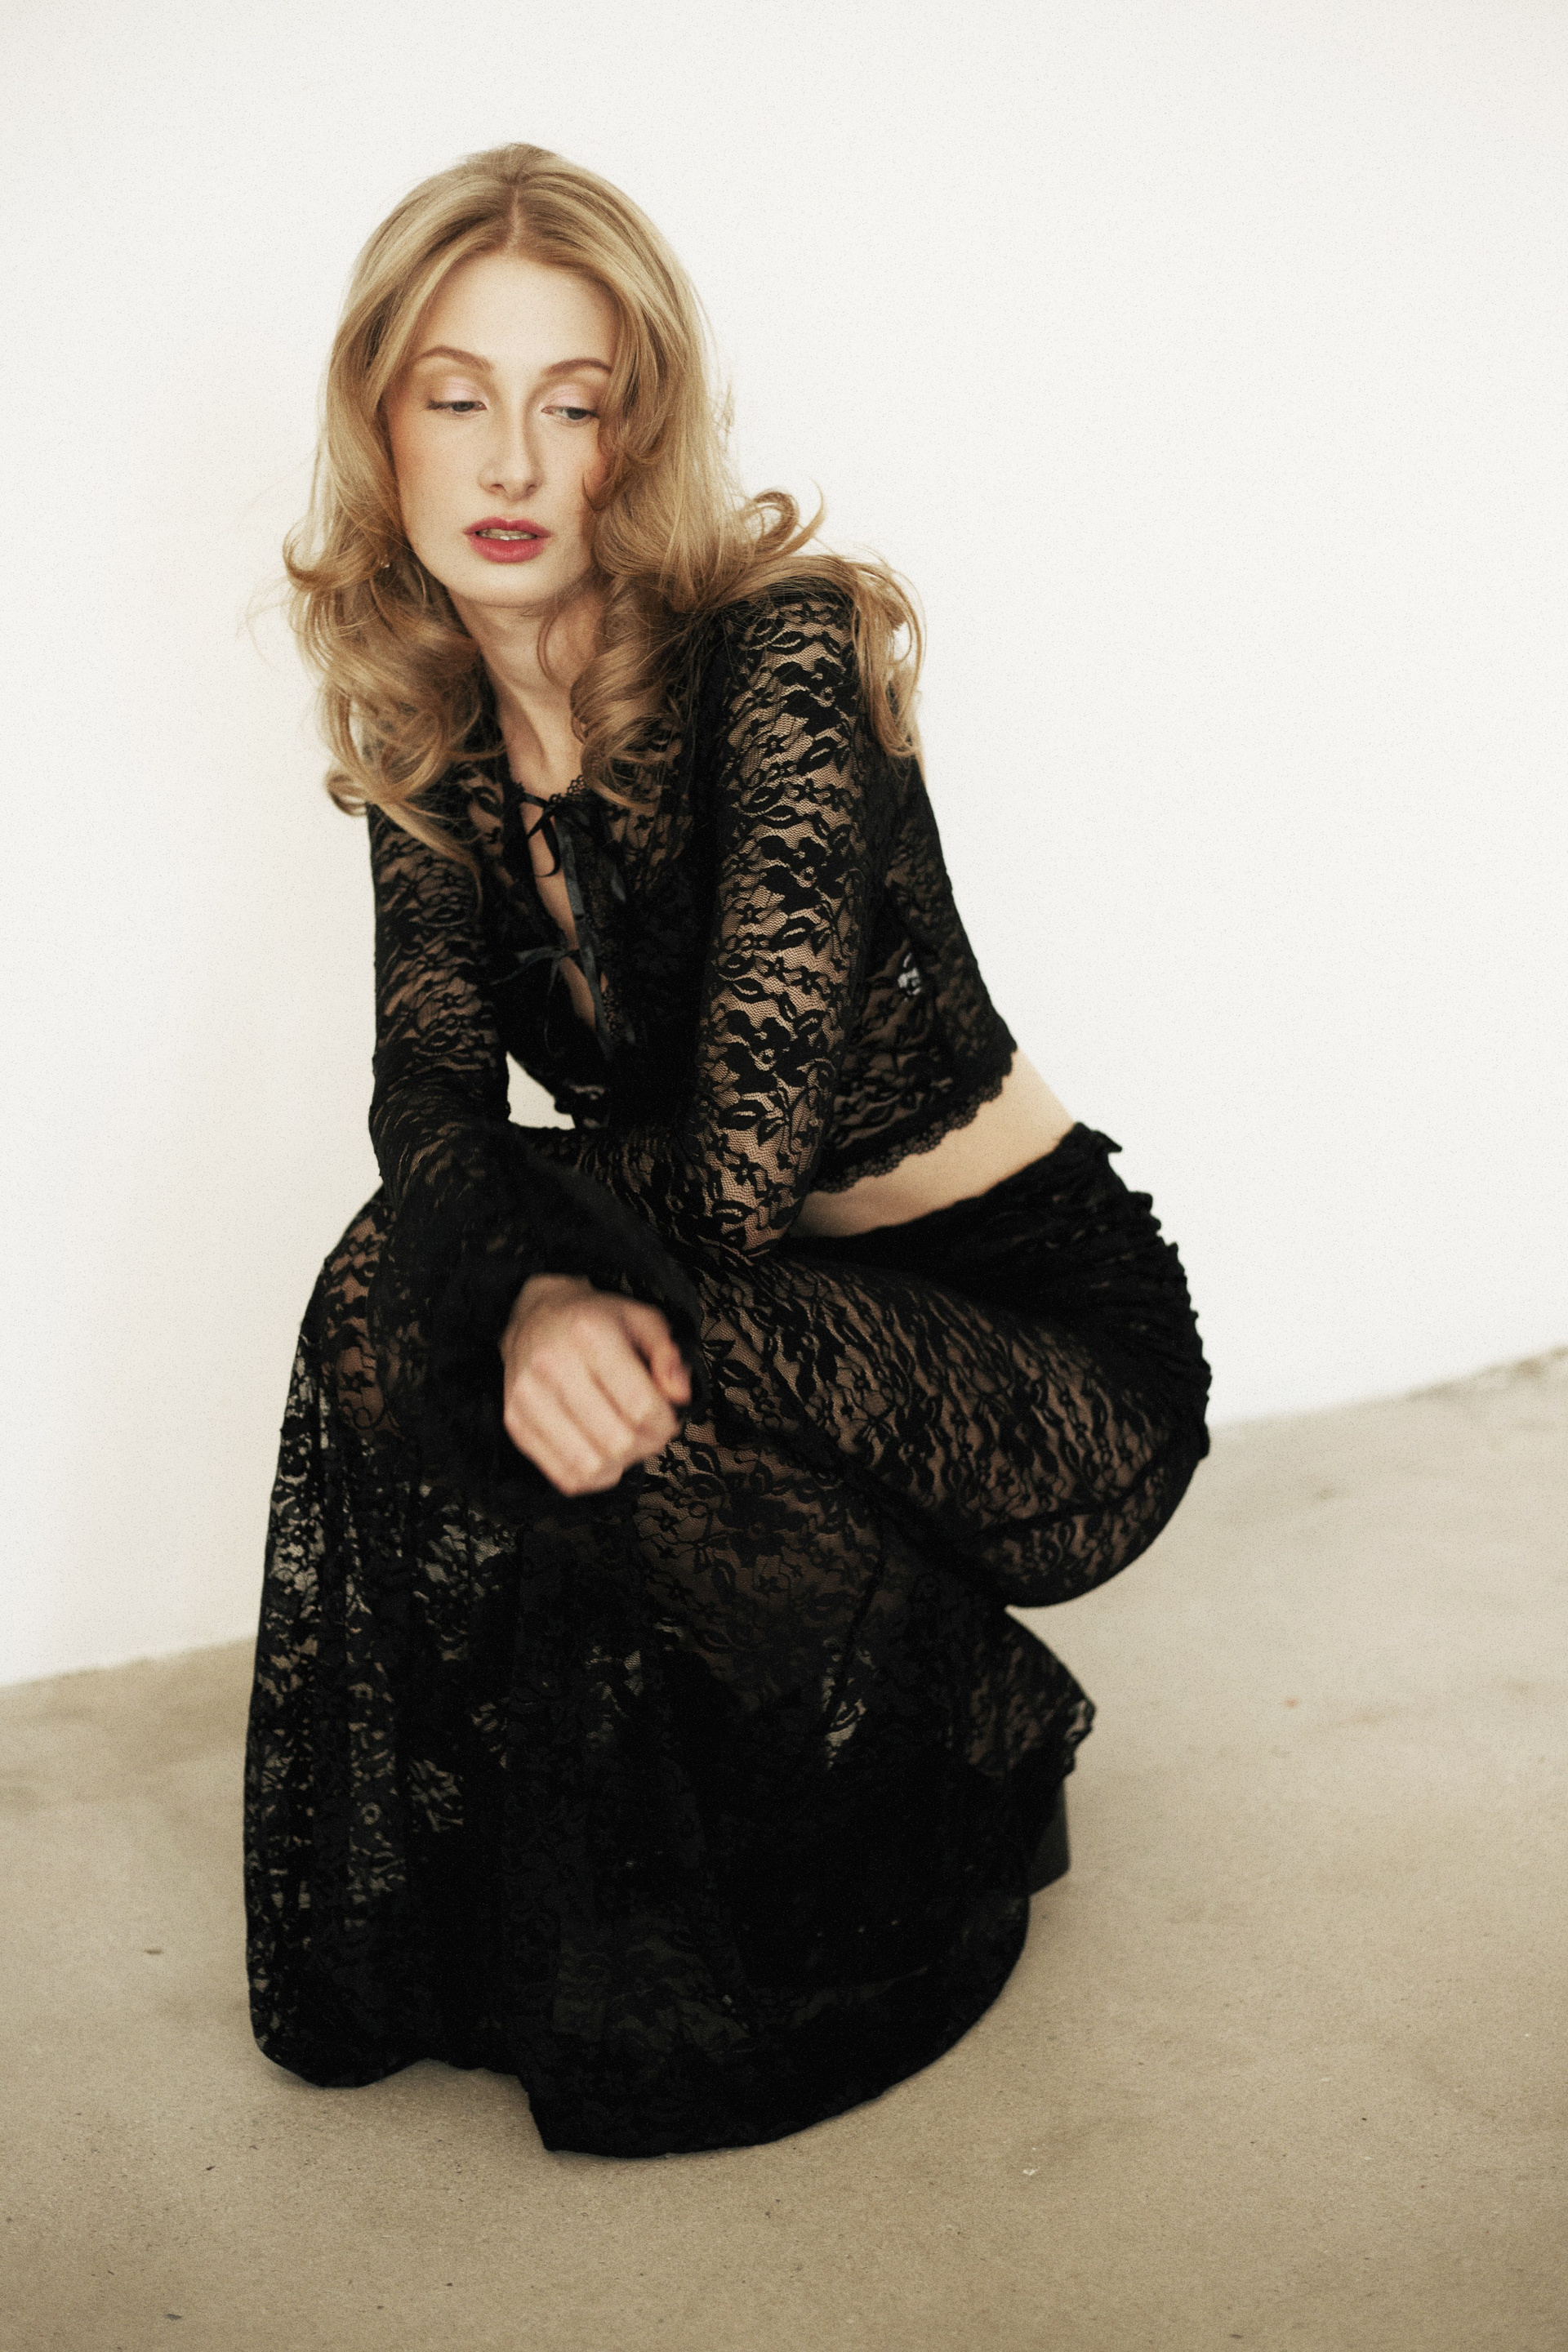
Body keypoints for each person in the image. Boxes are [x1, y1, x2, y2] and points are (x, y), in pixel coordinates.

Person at [243, 141, 1211, 2162]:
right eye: (458, 396)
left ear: (642, 429)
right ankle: (491, 1928)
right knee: (385, 1278)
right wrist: (510, 1282)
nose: (515, 457)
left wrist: (528, 1296)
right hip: (760, 1313)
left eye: (574, 401)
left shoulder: (773, 652)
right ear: (381, 421)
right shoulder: (435, 727)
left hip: (1037, 1364)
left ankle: (966, 1722)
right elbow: (427, 1099)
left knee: (509, 1300)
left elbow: (748, 1164)